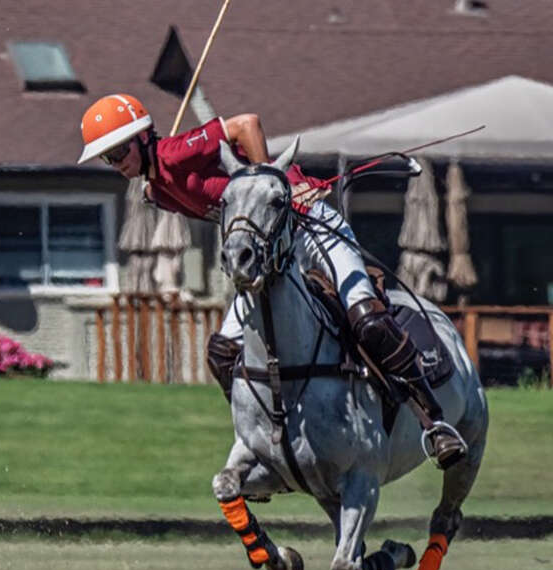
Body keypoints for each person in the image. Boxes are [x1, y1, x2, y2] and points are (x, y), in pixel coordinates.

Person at [77, 93, 466, 468]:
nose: (115, 163)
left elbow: (246, 125)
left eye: (118, 152)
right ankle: (261, 441)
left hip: (309, 222)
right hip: (272, 255)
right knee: (223, 354)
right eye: (107, 158)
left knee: (366, 317)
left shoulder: (173, 153)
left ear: (145, 137)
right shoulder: (156, 189)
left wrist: (272, 182)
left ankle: (434, 422)